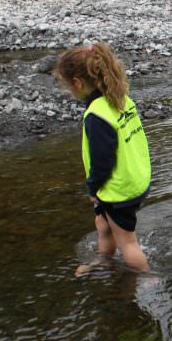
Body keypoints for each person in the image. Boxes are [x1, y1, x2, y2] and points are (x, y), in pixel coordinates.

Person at [53, 43, 151, 275]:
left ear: (77, 83)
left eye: (68, 86)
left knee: (127, 241)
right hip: (134, 177)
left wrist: (93, 188)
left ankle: (148, 279)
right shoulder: (120, 99)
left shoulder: (96, 116)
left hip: (117, 187)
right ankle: (105, 260)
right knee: (102, 223)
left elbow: (102, 161)